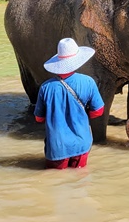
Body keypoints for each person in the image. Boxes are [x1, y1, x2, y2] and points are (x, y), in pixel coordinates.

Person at [34, 38, 105, 169]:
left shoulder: (45, 87)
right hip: (81, 143)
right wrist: (81, 116)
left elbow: (39, 118)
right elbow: (98, 111)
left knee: (56, 181)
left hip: (57, 147)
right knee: (79, 179)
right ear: (77, 61)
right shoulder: (88, 82)